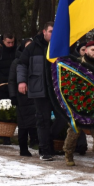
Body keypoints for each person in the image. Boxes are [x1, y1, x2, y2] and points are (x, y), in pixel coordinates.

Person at [63, 41, 94, 169]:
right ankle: (68, 154)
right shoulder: (76, 65)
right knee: (74, 132)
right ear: (86, 51)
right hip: (78, 105)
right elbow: (67, 84)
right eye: (92, 50)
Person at [17, 22, 56, 161]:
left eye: (55, 31)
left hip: (57, 90)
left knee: (62, 119)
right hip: (40, 89)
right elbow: (22, 64)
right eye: (51, 31)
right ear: (44, 32)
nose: (53, 34)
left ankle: (50, 143)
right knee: (43, 120)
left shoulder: (60, 46)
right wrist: (22, 81)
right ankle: (44, 150)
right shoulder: (33, 47)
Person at [9, 39, 37, 156]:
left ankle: (37, 143)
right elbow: (11, 80)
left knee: (35, 122)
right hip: (22, 96)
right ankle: (23, 148)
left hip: (35, 94)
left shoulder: (36, 60)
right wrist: (13, 96)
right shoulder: (17, 62)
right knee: (23, 124)